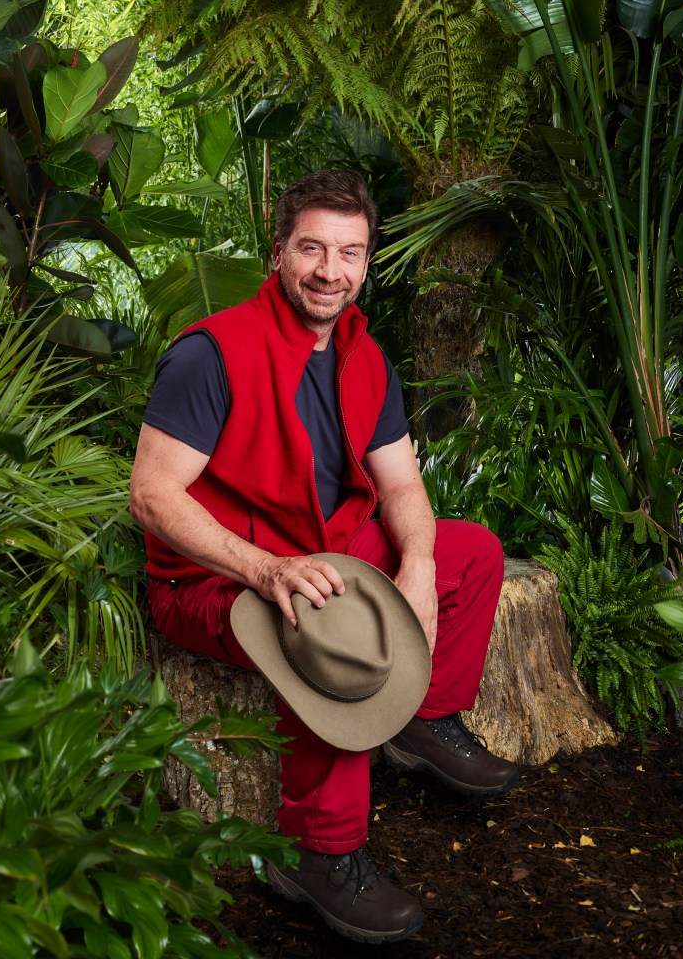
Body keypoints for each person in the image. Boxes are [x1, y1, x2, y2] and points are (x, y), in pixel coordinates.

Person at [130, 168, 517, 945]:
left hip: (323, 545)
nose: (329, 272)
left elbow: (402, 484)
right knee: (326, 631)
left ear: (367, 261)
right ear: (279, 252)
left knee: (469, 553)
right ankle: (318, 856)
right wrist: (266, 570)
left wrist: (415, 567)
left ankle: (423, 715)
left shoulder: (362, 354)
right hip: (216, 576)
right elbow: (152, 497)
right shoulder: (212, 355)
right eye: (312, 248)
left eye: (349, 253)